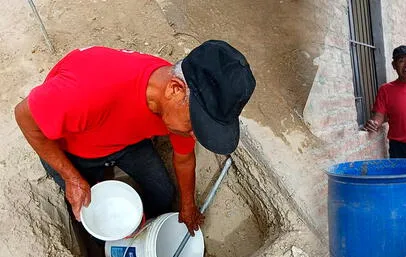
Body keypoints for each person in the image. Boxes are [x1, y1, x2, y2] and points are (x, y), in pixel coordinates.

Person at [14, 40, 256, 237]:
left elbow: (183, 159)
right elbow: (25, 118)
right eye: (197, 125)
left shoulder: (177, 104)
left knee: (162, 193)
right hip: (76, 150)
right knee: (91, 216)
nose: (196, 135)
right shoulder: (88, 91)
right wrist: (72, 178)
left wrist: (187, 204)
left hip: (126, 142)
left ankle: (143, 233)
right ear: (175, 89)